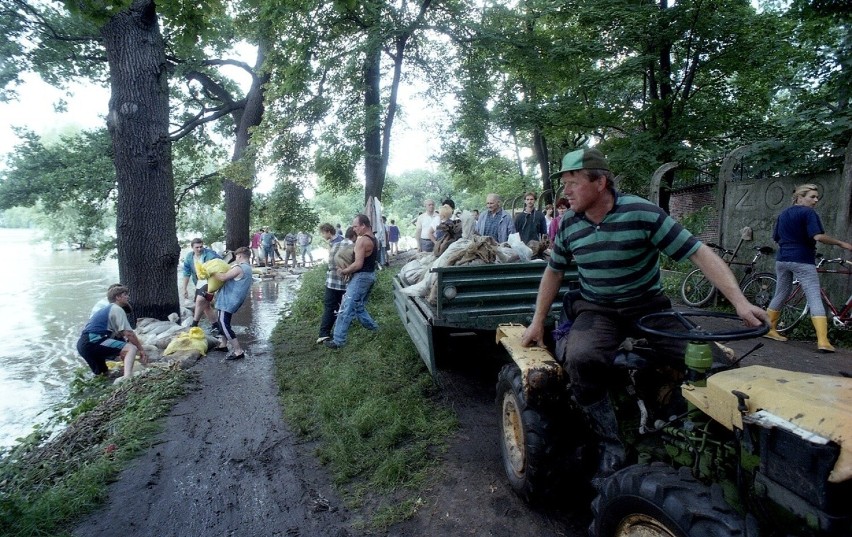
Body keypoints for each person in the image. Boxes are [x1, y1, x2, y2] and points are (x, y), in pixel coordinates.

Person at [520, 147, 766, 487]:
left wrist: (739, 303)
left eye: (573, 183)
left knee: (713, 362)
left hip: (648, 306)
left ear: (600, 182)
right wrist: (537, 322)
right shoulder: (569, 226)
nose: (566, 192)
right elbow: (554, 273)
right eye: (564, 184)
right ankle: (610, 441)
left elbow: (698, 252)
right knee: (581, 358)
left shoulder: (641, 212)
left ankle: (693, 429)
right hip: (597, 309)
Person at [764, 184, 852, 351]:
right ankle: (823, 341)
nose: (816, 200)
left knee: (781, 293)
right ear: (800, 197)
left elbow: (776, 237)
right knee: (814, 297)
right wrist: (842, 243)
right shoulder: (808, 213)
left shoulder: (783, 214)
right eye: (812, 196)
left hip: (782, 259)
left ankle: (769, 329)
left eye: (816, 197)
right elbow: (818, 236)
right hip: (802, 259)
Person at [324, 214, 380, 349]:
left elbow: (358, 264)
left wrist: (344, 271)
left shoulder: (362, 241)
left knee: (345, 308)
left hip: (361, 277)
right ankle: (375, 329)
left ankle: (338, 341)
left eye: (356, 226)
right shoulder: (374, 238)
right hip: (370, 276)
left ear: (363, 225)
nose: (354, 229)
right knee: (358, 307)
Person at [77, 285, 147, 382]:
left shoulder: (105, 311)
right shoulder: (117, 308)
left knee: (103, 376)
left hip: (83, 345)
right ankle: (128, 380)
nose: (128, 297)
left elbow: (121, 346)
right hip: (95, 341)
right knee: (131, 348)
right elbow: (129, 334)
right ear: (118, 297)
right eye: (125, 295)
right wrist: (141, 349)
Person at [211, 247, 254, 360]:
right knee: (223, 322)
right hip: (233, 300)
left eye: (236, 257)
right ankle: (223, 345)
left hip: (228, 301)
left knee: (224, 324)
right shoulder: (248, 268)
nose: (236, 259)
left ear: (239, 256)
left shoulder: (240, 268)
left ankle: (238, 351)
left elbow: (223, 277)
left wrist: (210, 271)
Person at [316, 223, 355, 344]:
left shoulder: (335, 245)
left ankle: (324, 334)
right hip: (344, 281)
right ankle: (342, 330)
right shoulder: (351, 245)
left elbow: (331, 264)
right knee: (343, 307)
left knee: (330, 307)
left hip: (332, 281)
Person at [181, 238, 222, 335]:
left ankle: (194, 325)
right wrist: (184, 288)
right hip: (199, 282)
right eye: (197, 247)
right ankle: (215, 325)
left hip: (211, 281)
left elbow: (219, 262)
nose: (199, 249)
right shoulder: (189, 257)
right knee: (206, 305)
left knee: (199, 300)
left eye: (201, 247)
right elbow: (186, 273)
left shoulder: (209, 254)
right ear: (192, 248)